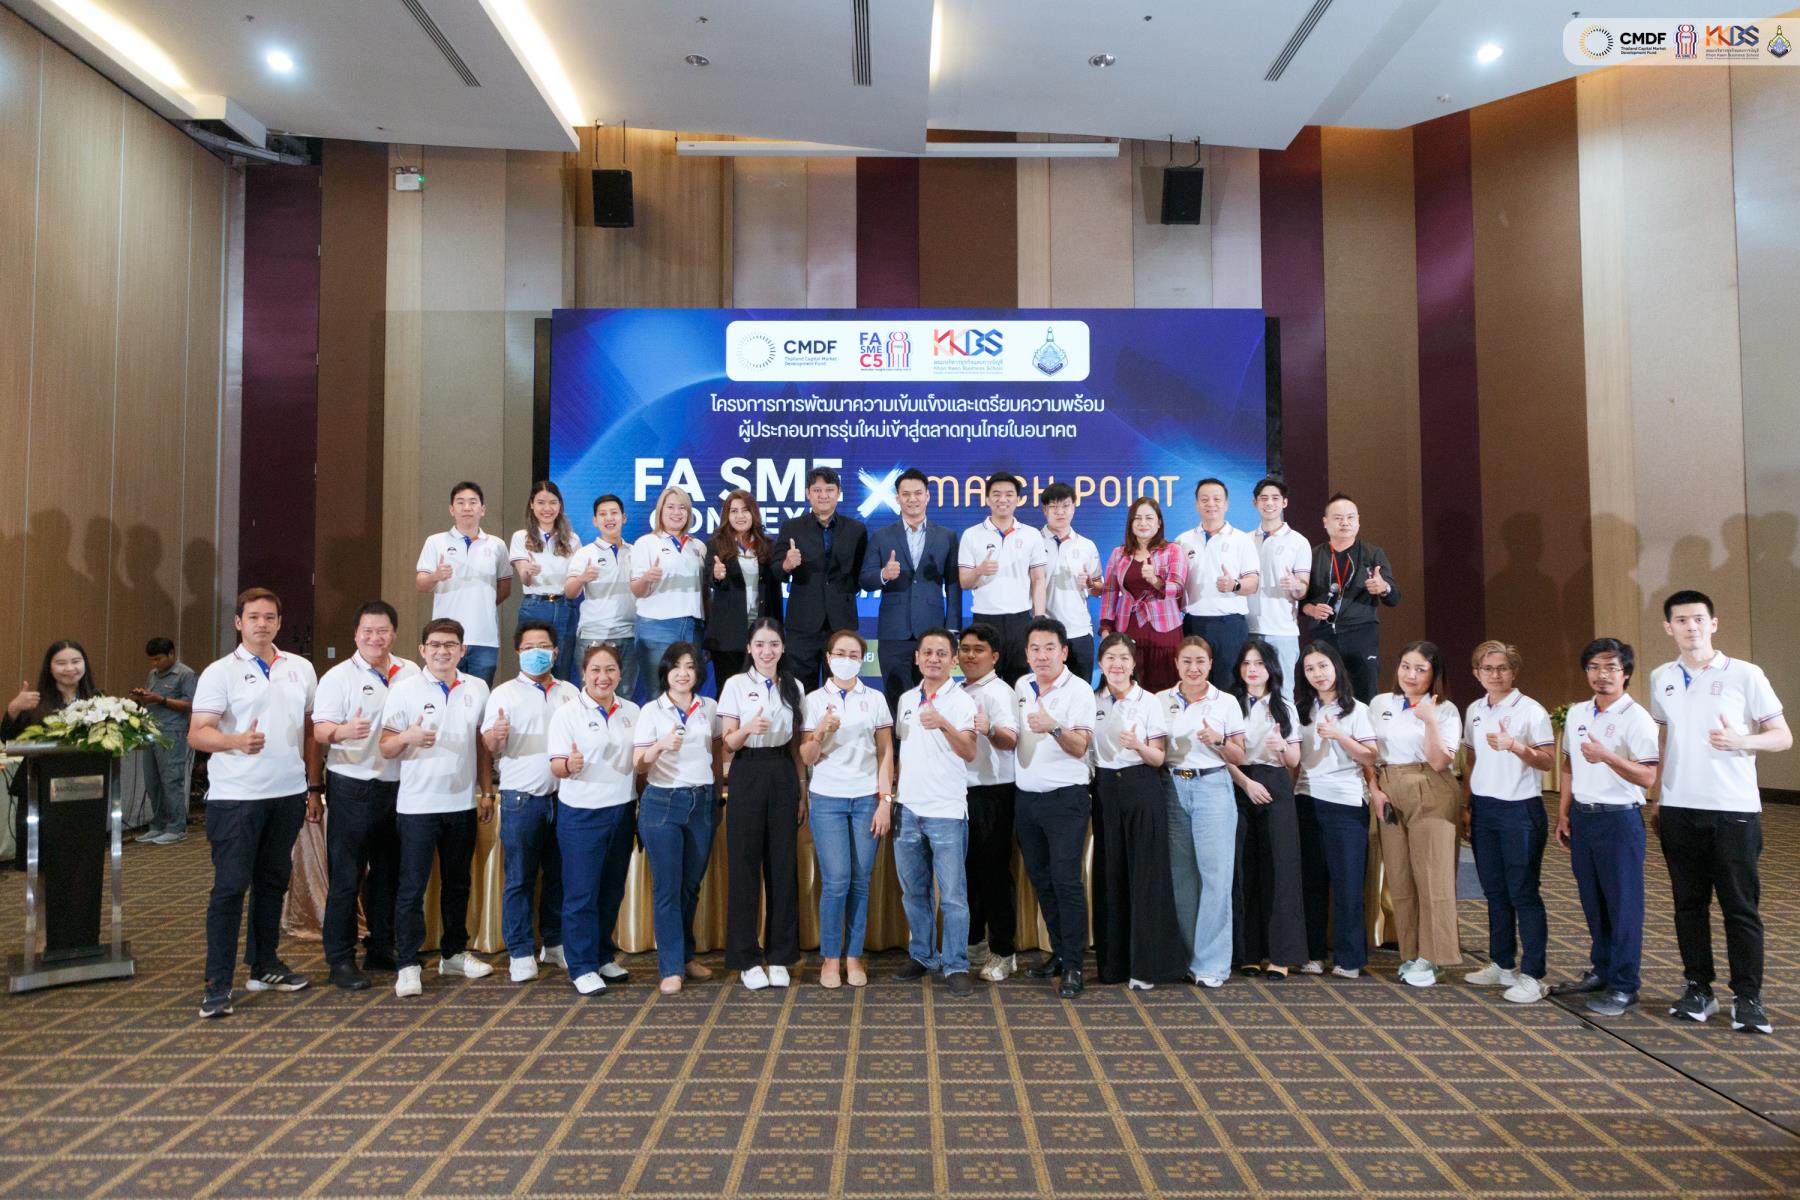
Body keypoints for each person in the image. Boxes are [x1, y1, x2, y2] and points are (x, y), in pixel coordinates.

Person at [1651, 590, 1790, 1034]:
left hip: (1733, 810)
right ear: (1668, 628)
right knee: (1688, 905)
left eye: (1698, 619)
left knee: (1739, 907)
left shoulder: (1745, 674)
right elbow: (1664, 738)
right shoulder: (1661, 677)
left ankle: (1748, 997)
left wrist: (1742, 741)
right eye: (1681, 620)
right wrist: (1658, 797)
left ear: (1713, 624)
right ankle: (1698, 988)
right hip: (1678, 808)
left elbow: (1782, 736)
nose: (1690, 627)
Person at [187, 589, 319, 1017]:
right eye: (254, 617)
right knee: (230, 888)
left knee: (273, 883)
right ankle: (217, 983)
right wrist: (235, 741)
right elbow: (197, 733)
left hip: (287, 793)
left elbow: (311, 730)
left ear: (280, 622)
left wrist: (312, 786)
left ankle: (264, 966)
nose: (262, 624)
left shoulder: (300, 668)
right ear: (238, 622)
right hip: (236, 798)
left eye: (270, 617)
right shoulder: (219, 672)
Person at [380, 618, 497, 998]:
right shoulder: (403, 690)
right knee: (412, 887)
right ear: (422, 650)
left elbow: (482, 746)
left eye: (450, 645)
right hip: (417, 805)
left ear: (463, 650)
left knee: (458, 883)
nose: (442, 651)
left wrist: (486, 792)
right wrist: (407, 737)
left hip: (461, 803)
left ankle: (454, 953)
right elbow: (385, 747)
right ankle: (408, 963)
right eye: (435, 645)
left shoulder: (477, 687)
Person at [311, 601, 419, 990]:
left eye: (383, 631)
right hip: (353, 785)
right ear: (356, 635)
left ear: (394, 633)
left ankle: (380, 947)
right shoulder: (338, 677)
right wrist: (342, 731)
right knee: (347, 876)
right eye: (368, 631)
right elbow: (320, 730)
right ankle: (339, 959)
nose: (376, 638)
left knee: (389, 873)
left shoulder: (411, 671)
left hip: (400, 786)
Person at [1553, 638, 1659, 1018]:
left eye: (1611, 668)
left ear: (1625, 673)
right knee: (1593, 901)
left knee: (1623, 905)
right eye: (1595, 667)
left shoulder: (1637, 717)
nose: (1602, 675)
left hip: (1619, 819)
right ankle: (1602, 970)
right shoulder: (1577, 712)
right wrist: (1563, 813)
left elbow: (1648, 776)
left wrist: (1608, 757)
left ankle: (1625, 985)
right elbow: (1569, 766)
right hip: (1584, 816)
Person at [483, 621, 582, 984]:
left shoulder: (571, 692)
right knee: (520, 878)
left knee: (560, 875)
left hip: (566, 797)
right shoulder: (504, 693)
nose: (536, 653)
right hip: (521, 799)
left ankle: (553, 943)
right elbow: (490, 744)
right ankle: (521, 951)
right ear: (517, 653)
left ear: (555, 652)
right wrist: (497, 736)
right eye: (528, 647)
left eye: (543, 646)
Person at [1459, 640, 1556, 1004]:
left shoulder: (1531, 710)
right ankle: (1502, 964)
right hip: (1485, 810)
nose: (1495, 675)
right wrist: (1466, 805)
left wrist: (1515, 746)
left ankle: (1533, 975)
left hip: (1521, 810)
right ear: (1477, 673)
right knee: (1495, 891)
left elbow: (1548, 760)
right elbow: (1471, 762)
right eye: (1488, 669)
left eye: (1502, 668)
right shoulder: (1474, 709)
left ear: (1514, 671)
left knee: (1523, 893)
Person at [1092, 633, 1188, 988]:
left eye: (1123, 658)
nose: (1117, 665)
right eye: (1110, 658)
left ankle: (1147, 968)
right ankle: (1112, 966)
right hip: (1104, 789)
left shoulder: (1148, 701)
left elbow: (1159, 757)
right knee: (1110, 875)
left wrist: (1137, 745)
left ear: (1133, 663)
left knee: (1146, 876)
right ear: (1100, 664)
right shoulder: (1092, 701)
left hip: (1141, 785)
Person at [800, 629, 894, 989]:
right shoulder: (813, 700)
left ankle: (853, 956)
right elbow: (806, 756)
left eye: (854, 654)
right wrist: (820, 731)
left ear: (862, 659)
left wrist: (885, 800)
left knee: (860, 881)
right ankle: (830, 958)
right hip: (828, 799)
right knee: (837, 880)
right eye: (840, 653)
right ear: (828, 657)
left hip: (867, 798)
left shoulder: (875, 698)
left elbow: (885, 752)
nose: (847, 660)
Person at [1365, 642, 1463, 988]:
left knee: (1433, 876)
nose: (1410, 675)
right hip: (1388, 787)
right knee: (1400, 876)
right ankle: (1411, 952)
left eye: (1420, 669)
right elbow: (1368, 753)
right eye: (1406, 666)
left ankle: (1434, 958)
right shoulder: (1381, 703)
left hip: (1430, 786)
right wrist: (1375, 790)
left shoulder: (1446, 710)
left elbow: (1439, 761)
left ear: (1434, 674)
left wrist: (1430, 720)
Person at [717, 618, 807, 989]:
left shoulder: (794, 686)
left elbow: (797, 745)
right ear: (749, 648)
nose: (766, 651)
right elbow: (727, 743)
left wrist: (802, 789)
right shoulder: (736, 684)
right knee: (744, 865)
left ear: (782, 648)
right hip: (748, 770)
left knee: (783, 866)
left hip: (782, 771)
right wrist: (747, 729)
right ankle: (746, 958)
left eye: (773, 644)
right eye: (759, 645)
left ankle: (781, 955)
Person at [548, 643, 642, 995]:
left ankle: (603, 955)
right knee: (581, 892)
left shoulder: (632, 710)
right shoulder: (567, 713)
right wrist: (568, 765)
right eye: (596, 670)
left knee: (611, 890)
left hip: (622, 810)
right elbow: (556, 766)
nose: (603, 677)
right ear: (583, 674)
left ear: (620, 673)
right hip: (581, 814)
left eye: (610, 670)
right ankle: (582, 966)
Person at [1012, 617, 1098, 997]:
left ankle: (1075, 966)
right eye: (1035, 649)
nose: (1042, 656)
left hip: (1066, 799)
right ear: (1026, 653)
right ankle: (1060, 953)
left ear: (1064, 651)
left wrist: (1053, 726)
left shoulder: (1079, 690)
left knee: (1065, 881)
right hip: (1026, 798)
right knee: (1042, 879)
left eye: (1049, 648)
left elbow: (1080, 747)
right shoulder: (1021, 686)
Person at [891, 629, 979, 995]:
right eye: (927, 652)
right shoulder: (906, 699)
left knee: (954, 896)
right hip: (907, 808)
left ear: (953, 660)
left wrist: (943, 723)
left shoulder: (962, 701)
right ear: (917, 658)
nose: (933, 659)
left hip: (946, 810)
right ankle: (923, 956)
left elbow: (969, 751)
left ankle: (955, 963)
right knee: (914, 892)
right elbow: (902, 750)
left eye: (942, 653)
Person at [633, 642, 721, 994]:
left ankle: (685, 956)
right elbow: (639, 764)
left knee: (690, 885)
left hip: (702, 802)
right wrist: (659, 747)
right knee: (667, 888)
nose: (683, 673)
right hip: (663, 803)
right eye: (676, 666)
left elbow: (716, 751)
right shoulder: (651, 710)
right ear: (665, 671)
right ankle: (670, 966)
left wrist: (717, 791)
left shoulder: (709, 707)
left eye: (690, 666)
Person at [1158, 636, 1247, 988]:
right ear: (1176, 664)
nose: (1193, 668)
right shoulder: (1160, 700)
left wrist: (1219, 741)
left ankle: (1211, 964)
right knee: (1181, 877)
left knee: (1216, 876)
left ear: (1210, 664)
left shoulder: (1226, 702)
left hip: (1212, 786)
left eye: (1200, 661)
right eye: (1186, 661)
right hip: (1172, 787)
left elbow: (1240, 755)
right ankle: (1187, 957)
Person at [1293, 641, 1379, 978]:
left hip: (1345, 803)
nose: (1317, 674)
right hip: (1306, 799)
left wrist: (1340, 736)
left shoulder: (1357, 710)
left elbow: (1370, 756)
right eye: (1310, 668)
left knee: (1348, 884)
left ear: (1336, 668)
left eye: (1323, 666)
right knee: (1310, 883)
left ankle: (1349, 958)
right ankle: (1313, 954)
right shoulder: (1300, 709)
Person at [1226, 639, 1307, 978]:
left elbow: (1295, 760)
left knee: (1279, 868)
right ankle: (1248, 951)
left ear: (1271, 668)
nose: (1252, 669)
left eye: (1259, 663)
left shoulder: (1284, 706)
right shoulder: (1228, 704)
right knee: (1243, 868)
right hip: (1238, 783)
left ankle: (1280, 955)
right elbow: (1221, 753)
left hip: (1275, 784)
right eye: (1246, 663)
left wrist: (1282, 745)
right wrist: (1245, 783)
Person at [861, 468, 961, 714]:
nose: (912, 499)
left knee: (933, 698)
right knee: (896, 699)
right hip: (893, 631)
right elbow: (865, 579)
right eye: (906, 494)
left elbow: (953, 584)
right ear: (897, 498)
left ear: (928, 496)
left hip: (932, 630)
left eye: (918, 493)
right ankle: (898, 741)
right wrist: (884, 575)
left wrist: (952, 629)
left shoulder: (946, 536)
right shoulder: (881, 536)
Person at [958, 623, 1022, 982]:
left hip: (994, 791)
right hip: (963, 790)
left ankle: (1004, 950)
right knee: (970, 872)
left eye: (978, 649)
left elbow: (1010, 738)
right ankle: (976, 943)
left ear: (994, 656)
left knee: (994, 873)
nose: (970, 655)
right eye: (965, 649)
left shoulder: (999, 692)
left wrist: (990, 729)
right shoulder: (958, 690)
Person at [5, 641, 101, 870]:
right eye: (61, 663)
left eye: (76, 661)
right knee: (42, 867)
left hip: (83, 792)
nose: (70, 668)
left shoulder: (99, 701)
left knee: (79, 865)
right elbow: (8, 738)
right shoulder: (36, 702)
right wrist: (14, 709)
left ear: (85, 664)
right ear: (50, 667)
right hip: (40, 791)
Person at [1299, 493, 1398, 703]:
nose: (1345, 523)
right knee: (1325, 696)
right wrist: (1312, 610)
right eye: (1338, 518)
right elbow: (1300, 603)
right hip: (1324, 635)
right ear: (1325, 522)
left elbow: (1394, 598)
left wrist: (1383, 588)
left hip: (1361, 634)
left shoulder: (1373, 554)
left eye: (1350, 517)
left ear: (1358, 521)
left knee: (1365, 694)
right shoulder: (1312, 555)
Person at [776, 467, 868, 689]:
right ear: (808, 493)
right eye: (817, 490)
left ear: (839, 493)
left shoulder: (856, 529)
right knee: (799, 690)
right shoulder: (792, 527)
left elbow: (861, 575)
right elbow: (774, 570)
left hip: (841, 623)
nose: (823, 495)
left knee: (840, 687)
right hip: (803, 623)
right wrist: (787, 564)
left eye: (829, 489)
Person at [414, 481, 512, 687]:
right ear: (452, 509)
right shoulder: (435, 542)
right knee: (443, 692)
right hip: (445, 636)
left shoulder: (497, 545)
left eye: (473, 502)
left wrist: (482, 603)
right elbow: (421, 584)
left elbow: (505, 587)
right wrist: (436, 576)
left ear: (482, 509)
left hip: (484, 638)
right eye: (460, 502)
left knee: (479, 696)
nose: (467, 508)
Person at [958, 471, 1048, 683]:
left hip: (1020, 619)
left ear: (1018, 499)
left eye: (1009, 494)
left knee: (1020, 680)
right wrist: (979, 570)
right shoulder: (971, 534)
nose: (1003, 499)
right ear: (987, 499)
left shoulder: (1031, 534)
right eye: (996, 494)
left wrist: (1039, 618)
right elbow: (964, 582)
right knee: (983, 680)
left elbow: (1038, 579)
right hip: (985, 618)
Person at [1177, 479, 1260, 690]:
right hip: (1193, 623)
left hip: (1229, 625)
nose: (1211, 504)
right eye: (1204, 499)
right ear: (1197, 504)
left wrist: (1234, 585)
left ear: (1226, 504)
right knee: (1194, 684)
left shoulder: (1241, 539)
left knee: (1229, 687)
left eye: (1217, 499)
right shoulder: (1182, 540)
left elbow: (1253, 583)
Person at [1099, 496, 1188, 693]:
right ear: (1131, 523)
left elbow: (1178, 588)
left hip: (1164, 630)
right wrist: (1106, 627)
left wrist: (1155, 580)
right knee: (1130, 688)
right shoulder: (1118, 553)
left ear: (1159, 522)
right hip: (1128, 629)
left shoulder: (1173, 550)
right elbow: (1110, 592)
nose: (1143, 523)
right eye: (1137, 518)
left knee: (1165, 689)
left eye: (1149, 518)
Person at [630, 486, 708, 697]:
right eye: (671, 507)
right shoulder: (646, 543)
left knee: (689, 693)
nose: (677, 512)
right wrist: (646, 578)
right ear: (660, 511)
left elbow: (703, 591)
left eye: (682, 508)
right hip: (657, 627)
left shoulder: (698, 546)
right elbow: (637, 590)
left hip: (693, 627)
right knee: (659, 693)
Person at [564, 494, 639, 702]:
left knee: (624, 699)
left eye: (614, 513)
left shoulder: (636, 552)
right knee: (592, 698)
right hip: (594, 635)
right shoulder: (585, 553)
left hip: (628, 634)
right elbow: (570, 592)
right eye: (603, 514)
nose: (609, 518)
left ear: (624, 518)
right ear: (595, 520)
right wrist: (582, 578)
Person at [704, 489, 780, 688]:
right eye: (734, 511)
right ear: (726, 516)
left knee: (762, 690)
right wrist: (717, 576)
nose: (740, 516)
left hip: (761, 631)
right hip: (727, 634)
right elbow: (710, 579)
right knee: (728, 690)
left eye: (745, 510)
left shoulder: (768, 546)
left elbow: (775, 588)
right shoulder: (715, 545)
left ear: (753, 513)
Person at [509, 481, 582, 683]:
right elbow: (524, 579)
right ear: (532, 504)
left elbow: (575, 581)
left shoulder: (572, 540)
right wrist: (528, 571)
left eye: (553, 502)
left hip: (565, 606)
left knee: (562, 670)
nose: (547, 508)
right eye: (541, 502)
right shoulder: (521, 537)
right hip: (535, 606)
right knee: (533, 668)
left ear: (560, 505)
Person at [1246, 478, 1311, 700]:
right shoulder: (1244, 540)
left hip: (1282, 630)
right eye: (1263, 498)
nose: (1269, 503)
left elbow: (1302, 589)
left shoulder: (1298, 542)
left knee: (1283, 694)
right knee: (1251, 693)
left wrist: (1296, 586)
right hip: (1249, 627)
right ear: (1255, 503)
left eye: (1275, 498)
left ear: (1284, 502)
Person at [130, 637, 197, 845]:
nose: (154, 664)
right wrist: (143, 697)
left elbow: (191, 704)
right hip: (151, 731)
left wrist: (161, 699)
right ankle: (158, 825)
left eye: (158, 659)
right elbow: (152, 700)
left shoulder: (185, 674)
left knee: (171, 781)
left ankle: (177, 827)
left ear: (171, 654)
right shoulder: (153, 674)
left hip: (172, 733)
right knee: (153, 782)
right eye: (151, 660)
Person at [1038, 482, 1104, 682]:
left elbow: (1098, 589)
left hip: (1079, 631)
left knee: (1081, 691)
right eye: (1054, 507)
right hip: (1044, 631)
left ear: (1074, 507)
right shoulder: (1034, 542)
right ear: (1045, 510)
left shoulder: (1086, 545)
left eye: (1065, 506)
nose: (1060, 512)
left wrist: (1090, 584)